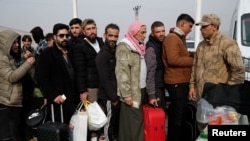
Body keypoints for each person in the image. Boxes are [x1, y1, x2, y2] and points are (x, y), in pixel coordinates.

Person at [189, 14, 245, 129]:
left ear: (214, 27)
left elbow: (238, 71)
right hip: (202, 99)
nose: (201, 30)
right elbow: (195, 66)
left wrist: (227, 94)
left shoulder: (227, 44)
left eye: (204, 27)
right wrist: (192, 85)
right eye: (201, 27)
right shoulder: (201, 45)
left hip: (220, 103)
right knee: (203, 131)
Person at [35, 23, 78, 125]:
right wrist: (53, 95)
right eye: (61, 36)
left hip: (73, 99)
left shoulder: (72, 52)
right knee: (60, 130)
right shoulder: (47, 54)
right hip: (58, 101)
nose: (65, 38)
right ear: (54, 37)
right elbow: (41, 78)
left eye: (67, 36)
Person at [162, 13, 195, 141]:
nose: (191, 29)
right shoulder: (172, 38)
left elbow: (184, 54)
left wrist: (198, 54)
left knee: (179, 115)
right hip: (176, 82)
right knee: (178, 117)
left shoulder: (179, 38)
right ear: (182, 24)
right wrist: (194, 61)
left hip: (180, 81)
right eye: (190, 26)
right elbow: (173, 59)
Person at [70, 18, 104, 141]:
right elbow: (80, 70)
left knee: (102, 113)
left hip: (103, 85)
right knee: (92, 116)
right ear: (83, 31)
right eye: (88, 29)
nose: (92, 31)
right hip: (90, 87)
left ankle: (101, 136)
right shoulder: (80, 47)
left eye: (93, 28)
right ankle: (93, 137)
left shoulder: (101, 43)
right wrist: (83, 90)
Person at [0, 30, 36, 141]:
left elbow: (32, 74)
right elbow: (12, 77)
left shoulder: (18, 56)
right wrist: (27, 63)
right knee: (15, 131)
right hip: (12, 101)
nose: (16, 45)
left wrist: (28, 62)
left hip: (24, 97)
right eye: (13, 43)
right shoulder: (2, 59)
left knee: (25, 126)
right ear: (6, 44)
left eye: (17, 42)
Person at [115, 21, 147, 141]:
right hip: (131, 93)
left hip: (140, 89)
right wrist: (127, 94)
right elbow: (122, 72)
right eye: (142, 32)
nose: (144, 35)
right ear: (134, 32)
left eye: (145, 32)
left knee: (131, 124)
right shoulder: (124, 46)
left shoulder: (139, 46)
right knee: (135, 123)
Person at [95, 23, 120, 141]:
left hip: (115, 95)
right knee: (108, 123)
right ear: (105, 35)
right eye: (110, 36)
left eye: (116, 36)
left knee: (113, 123)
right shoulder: (102, 55)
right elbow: (104, 79)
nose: (113, 39)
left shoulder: (115, 51)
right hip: (109, 97)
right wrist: (114, 98)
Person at [145, 21, 166, 110]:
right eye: (158, 32)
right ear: (152, 34)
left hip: (160, 85)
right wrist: (151, 95)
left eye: (163, 31)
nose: (161, 34)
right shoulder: (151, 48)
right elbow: (150, 72)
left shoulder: (160, 44)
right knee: (158, 114)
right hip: (155, 87)